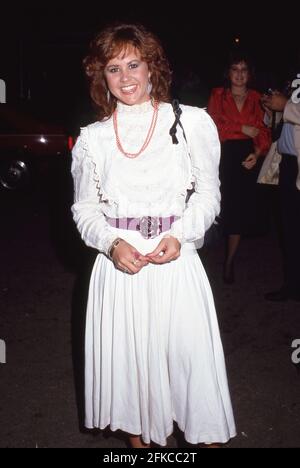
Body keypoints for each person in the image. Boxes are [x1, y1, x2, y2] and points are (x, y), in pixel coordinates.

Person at [71, 23, 236, 448]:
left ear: (151, 68)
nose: (125, 78)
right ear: (101, 76)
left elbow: (209, 194)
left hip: (176, 262)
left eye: (133, 64)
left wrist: (182, 234)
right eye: (113, 68)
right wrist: (111, 243)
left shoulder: (190, 123)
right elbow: (85, 209)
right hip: (120, 270)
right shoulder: (93, 139)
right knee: (133, 383)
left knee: (193, 378)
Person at [207, 53, 271, 283]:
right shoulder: (218, 95)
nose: (240, 74)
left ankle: (229, 261)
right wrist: (242, 127)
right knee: (218, 206)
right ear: (228, 73)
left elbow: (263, 131)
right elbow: (214, 125)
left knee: (237, 211)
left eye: (244, 69)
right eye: (235, 69)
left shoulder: (258, 98)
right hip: (222, 156)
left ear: (250, 74)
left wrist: (257, 153)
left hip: (246, 157)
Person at [261, 89, 300, 301]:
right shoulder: (294, 81)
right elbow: (282, 127)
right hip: (287, 165)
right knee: (290, 231)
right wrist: (272, 109)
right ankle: (292, 285)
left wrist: (285, 106)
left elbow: (292, 110)